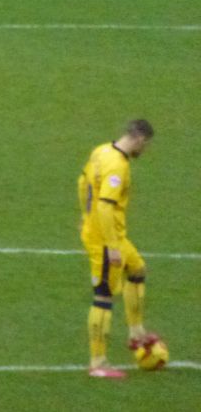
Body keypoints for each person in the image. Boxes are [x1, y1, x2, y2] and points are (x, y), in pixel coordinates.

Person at [78, 119, 157, 379]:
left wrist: (83, 213)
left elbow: (82, 181)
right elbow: (104, 207)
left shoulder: (100, 151)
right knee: (104, 295)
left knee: (137, 269)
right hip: (104, 238)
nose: (143, 151)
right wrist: (111, 247)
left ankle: (136, 332)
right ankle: (97, 362)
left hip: (110, 234)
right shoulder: (118, 166)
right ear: (139, 139)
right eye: (145, 146)